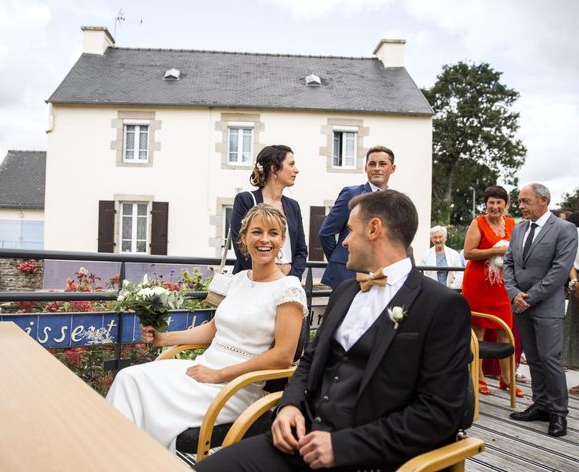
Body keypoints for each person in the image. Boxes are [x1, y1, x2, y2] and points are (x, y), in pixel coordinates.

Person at [194, 190, 471, 472]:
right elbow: (309, 361)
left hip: (369, 459)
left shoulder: (442, 306)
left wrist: (343, 447)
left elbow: (438, 413)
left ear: (374, 229)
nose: (345, 241)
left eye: (349, 230)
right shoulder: (345, 291)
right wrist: (289, 406)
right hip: (296, 444)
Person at [107, 204, 308, 450]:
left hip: (236, 386)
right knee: (128, 378)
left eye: (273, 233)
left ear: (282, 240)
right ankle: (119, 457)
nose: (265, 239)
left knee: (141, 395)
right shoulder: (238, 281)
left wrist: (219, 375)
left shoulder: (289, 288)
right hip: (203, 369)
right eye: (257, 232)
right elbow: (213, 329)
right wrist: (165, 338)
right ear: (244, 239)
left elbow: (283, 356)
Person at [504, 184, 578, 438]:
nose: (520, 206)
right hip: (520, 305)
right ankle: (541, 404)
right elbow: (509, 263)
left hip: (546, 305)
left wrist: (530, 297)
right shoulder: (519, 228)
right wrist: (514, 294)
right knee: (533, 358)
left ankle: (558, 412)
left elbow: (560, 270)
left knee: (550, 359)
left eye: (525, 201)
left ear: (543, 200)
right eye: (520, 202)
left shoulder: (565, 229)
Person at [461, 185, 523, 397]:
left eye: (499, 202)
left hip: (503, 286)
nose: (495, 206)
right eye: (491, 202)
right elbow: (468, 253)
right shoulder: (477, 222)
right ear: (485, 204)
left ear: (506, 204)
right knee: (477, 332)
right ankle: (477, 378)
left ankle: (506, 379)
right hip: (479, 285)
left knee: (504, 332)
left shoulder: (512, 223)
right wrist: (497, 250)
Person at [318, 145, 396, 288]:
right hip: (345, 276)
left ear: (392, 168)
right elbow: (326, 233)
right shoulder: (351, 194)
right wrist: (340, 260)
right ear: (366, 168)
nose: (377, 168)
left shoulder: (394, 201)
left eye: (382, 164)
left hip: (380, 276)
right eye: (372, 164)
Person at [230, 145, 308, 279]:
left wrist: (291, 278)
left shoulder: (293, 206)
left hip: (287, 280)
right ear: (274, 168)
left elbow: (301, 250)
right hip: (255, 281)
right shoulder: (246, 200)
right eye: (291, 164)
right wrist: (267, 276)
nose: (296, 170)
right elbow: (240, 245)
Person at [562, 210, 579, 394]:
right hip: (577, 285)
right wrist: (575, 284)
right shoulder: (575, 232)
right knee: (577, 330)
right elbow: (571, 261)